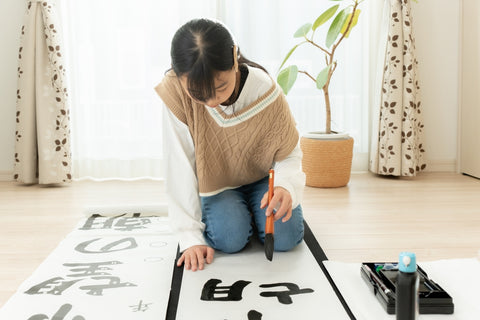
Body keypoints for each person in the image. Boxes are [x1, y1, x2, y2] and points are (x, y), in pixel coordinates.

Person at [154, 18, 305, 271]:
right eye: (197, 94)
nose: (212, 102)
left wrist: (284, 186)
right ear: (178, 76)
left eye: (220, 87)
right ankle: (234, 214)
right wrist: (189, 237)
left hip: (262, 180)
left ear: (234, 58)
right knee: (229, 238)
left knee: (286, 237)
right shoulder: (175, 93)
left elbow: (289, 153)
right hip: (216, 185)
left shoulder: (264, 89)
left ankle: (254, 212)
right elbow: (179, 164)